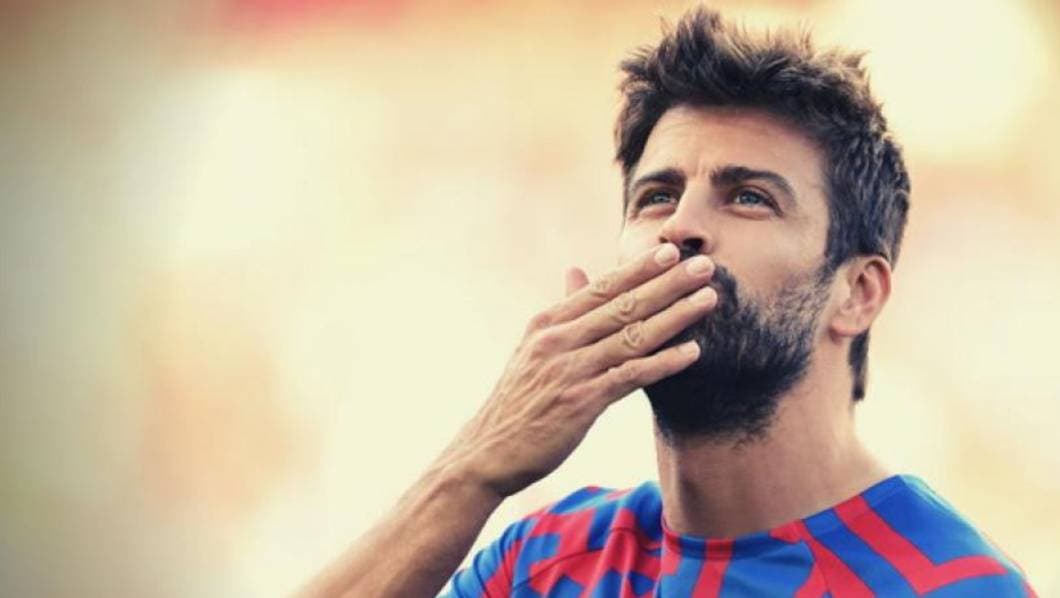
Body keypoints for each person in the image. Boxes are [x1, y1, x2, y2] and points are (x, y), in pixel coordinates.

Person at [300, 6, 1035, 597]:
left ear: (858, 293)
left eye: (749, 197)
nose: (680, 225)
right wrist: (475, 468)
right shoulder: (546, 563)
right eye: (657, 196)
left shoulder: (952, 584)